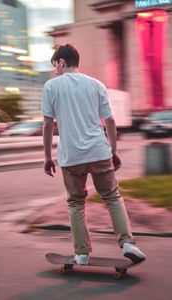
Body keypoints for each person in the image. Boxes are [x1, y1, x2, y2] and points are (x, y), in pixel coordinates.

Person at [41, 44, 146, 265]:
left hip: (71, 157)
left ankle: (81, 253)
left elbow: (48, 124)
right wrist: (113, 151)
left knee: (76, 203)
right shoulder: (97, 85)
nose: (55, 71)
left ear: (61, 62)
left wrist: (48, 156)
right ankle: (128, 243)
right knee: (112, 197)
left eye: (55, 66)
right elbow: (110, 121)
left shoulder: (51, 86)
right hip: (99, 152)